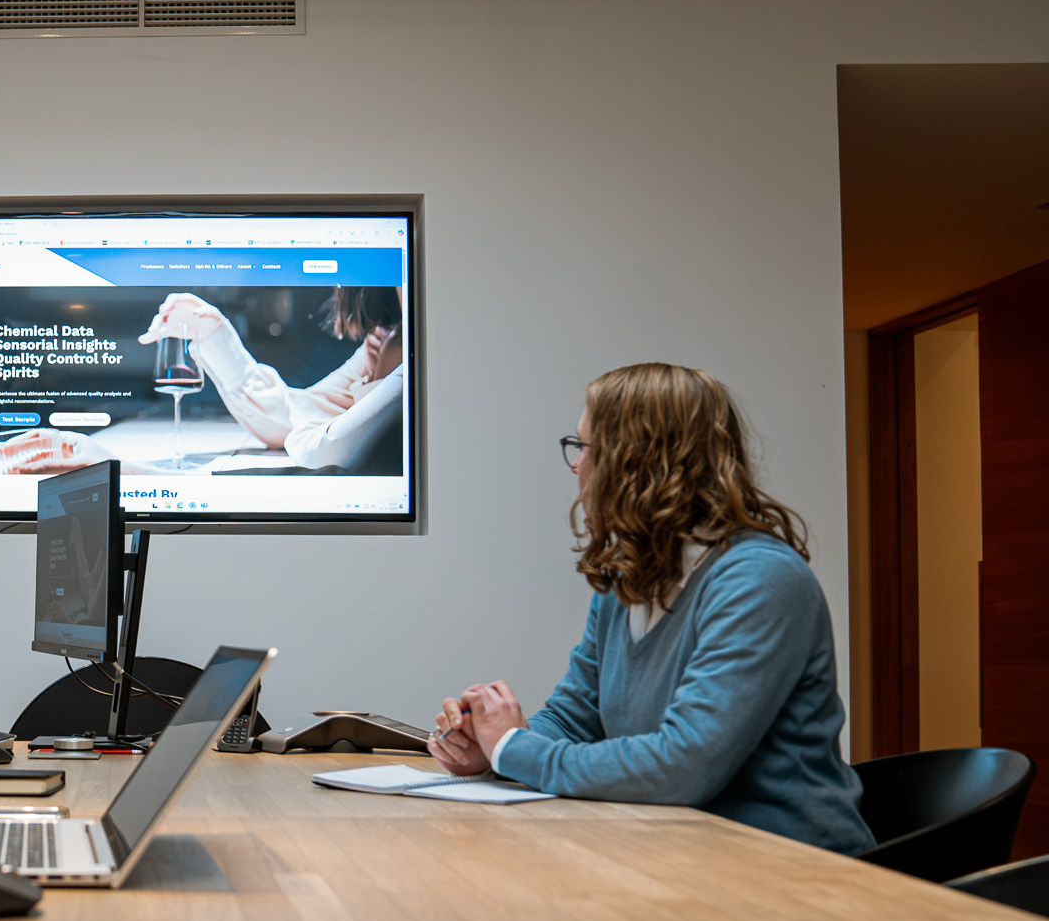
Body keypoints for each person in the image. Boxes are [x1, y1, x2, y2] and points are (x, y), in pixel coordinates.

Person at [426, 363, 872, 853]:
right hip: (670, 848)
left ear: (635, 462)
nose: (576, 467)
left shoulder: (760, 579)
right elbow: (577, 717)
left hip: (791, 867)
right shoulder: (626, 576)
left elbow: (684, 767)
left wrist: (514, 748)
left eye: (584, 448)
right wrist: (488, 749)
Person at [136, 285, 405, 471]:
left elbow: (324, 451)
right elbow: (286, 417)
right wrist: (212, 334)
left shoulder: (422, 357)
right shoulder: (384, 341)